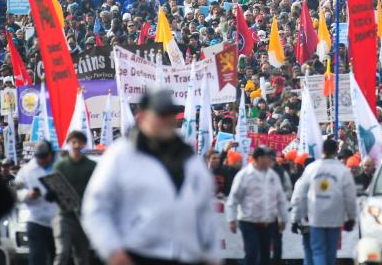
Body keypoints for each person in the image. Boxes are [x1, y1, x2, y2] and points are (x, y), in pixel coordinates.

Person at [82, 88, 219, 265]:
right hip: (137, 255)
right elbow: (95, 207)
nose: (169, 119)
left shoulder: (189, 158)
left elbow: (206, 211)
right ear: (142, 116)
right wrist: (112, 250)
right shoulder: (121, 154)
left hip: (187, 255)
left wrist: (212, 256)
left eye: (171, 113)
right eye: (161, 114)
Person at [290, 137, 357, 265]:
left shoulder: (311, 169)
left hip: (316, 216)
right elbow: (350, 197)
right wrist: (351, 217)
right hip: (335, 217)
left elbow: (300, 195)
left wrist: (296, 217)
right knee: (331, 252)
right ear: (336, 151)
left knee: (318, 250)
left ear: (322, 150)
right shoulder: (343, 170)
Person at [226, 145, 288, 265]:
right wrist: (231, 219)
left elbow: (280, 199)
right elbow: (233, 199)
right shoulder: (244, 175)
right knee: (252, 253)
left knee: (265, 256)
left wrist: (284, 218)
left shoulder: (273, 176)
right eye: (267, 157)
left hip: (268, 222)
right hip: (248, 221)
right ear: (257, 158)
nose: (270, 160)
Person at [50, 130, 96, 265]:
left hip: (84, 217)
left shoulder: (92, 166)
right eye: (73, 142)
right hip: (64, 216)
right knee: (62, 253)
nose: (76, 145)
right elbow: (53, 186)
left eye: (79, 142)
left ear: (84, 144)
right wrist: (52, 194)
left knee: (82, 256)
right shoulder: (60, 166)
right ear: (69, 144)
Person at [15, 140, 59, 265]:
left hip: (58, 221)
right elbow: (17, 191)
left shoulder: (60, 165)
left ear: (51, 154)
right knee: (37, 257)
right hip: (36, 220)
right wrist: (28, 195)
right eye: (39, 157)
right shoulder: (27, 170)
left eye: (45, 157)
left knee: (59, 257)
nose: (42, 160)